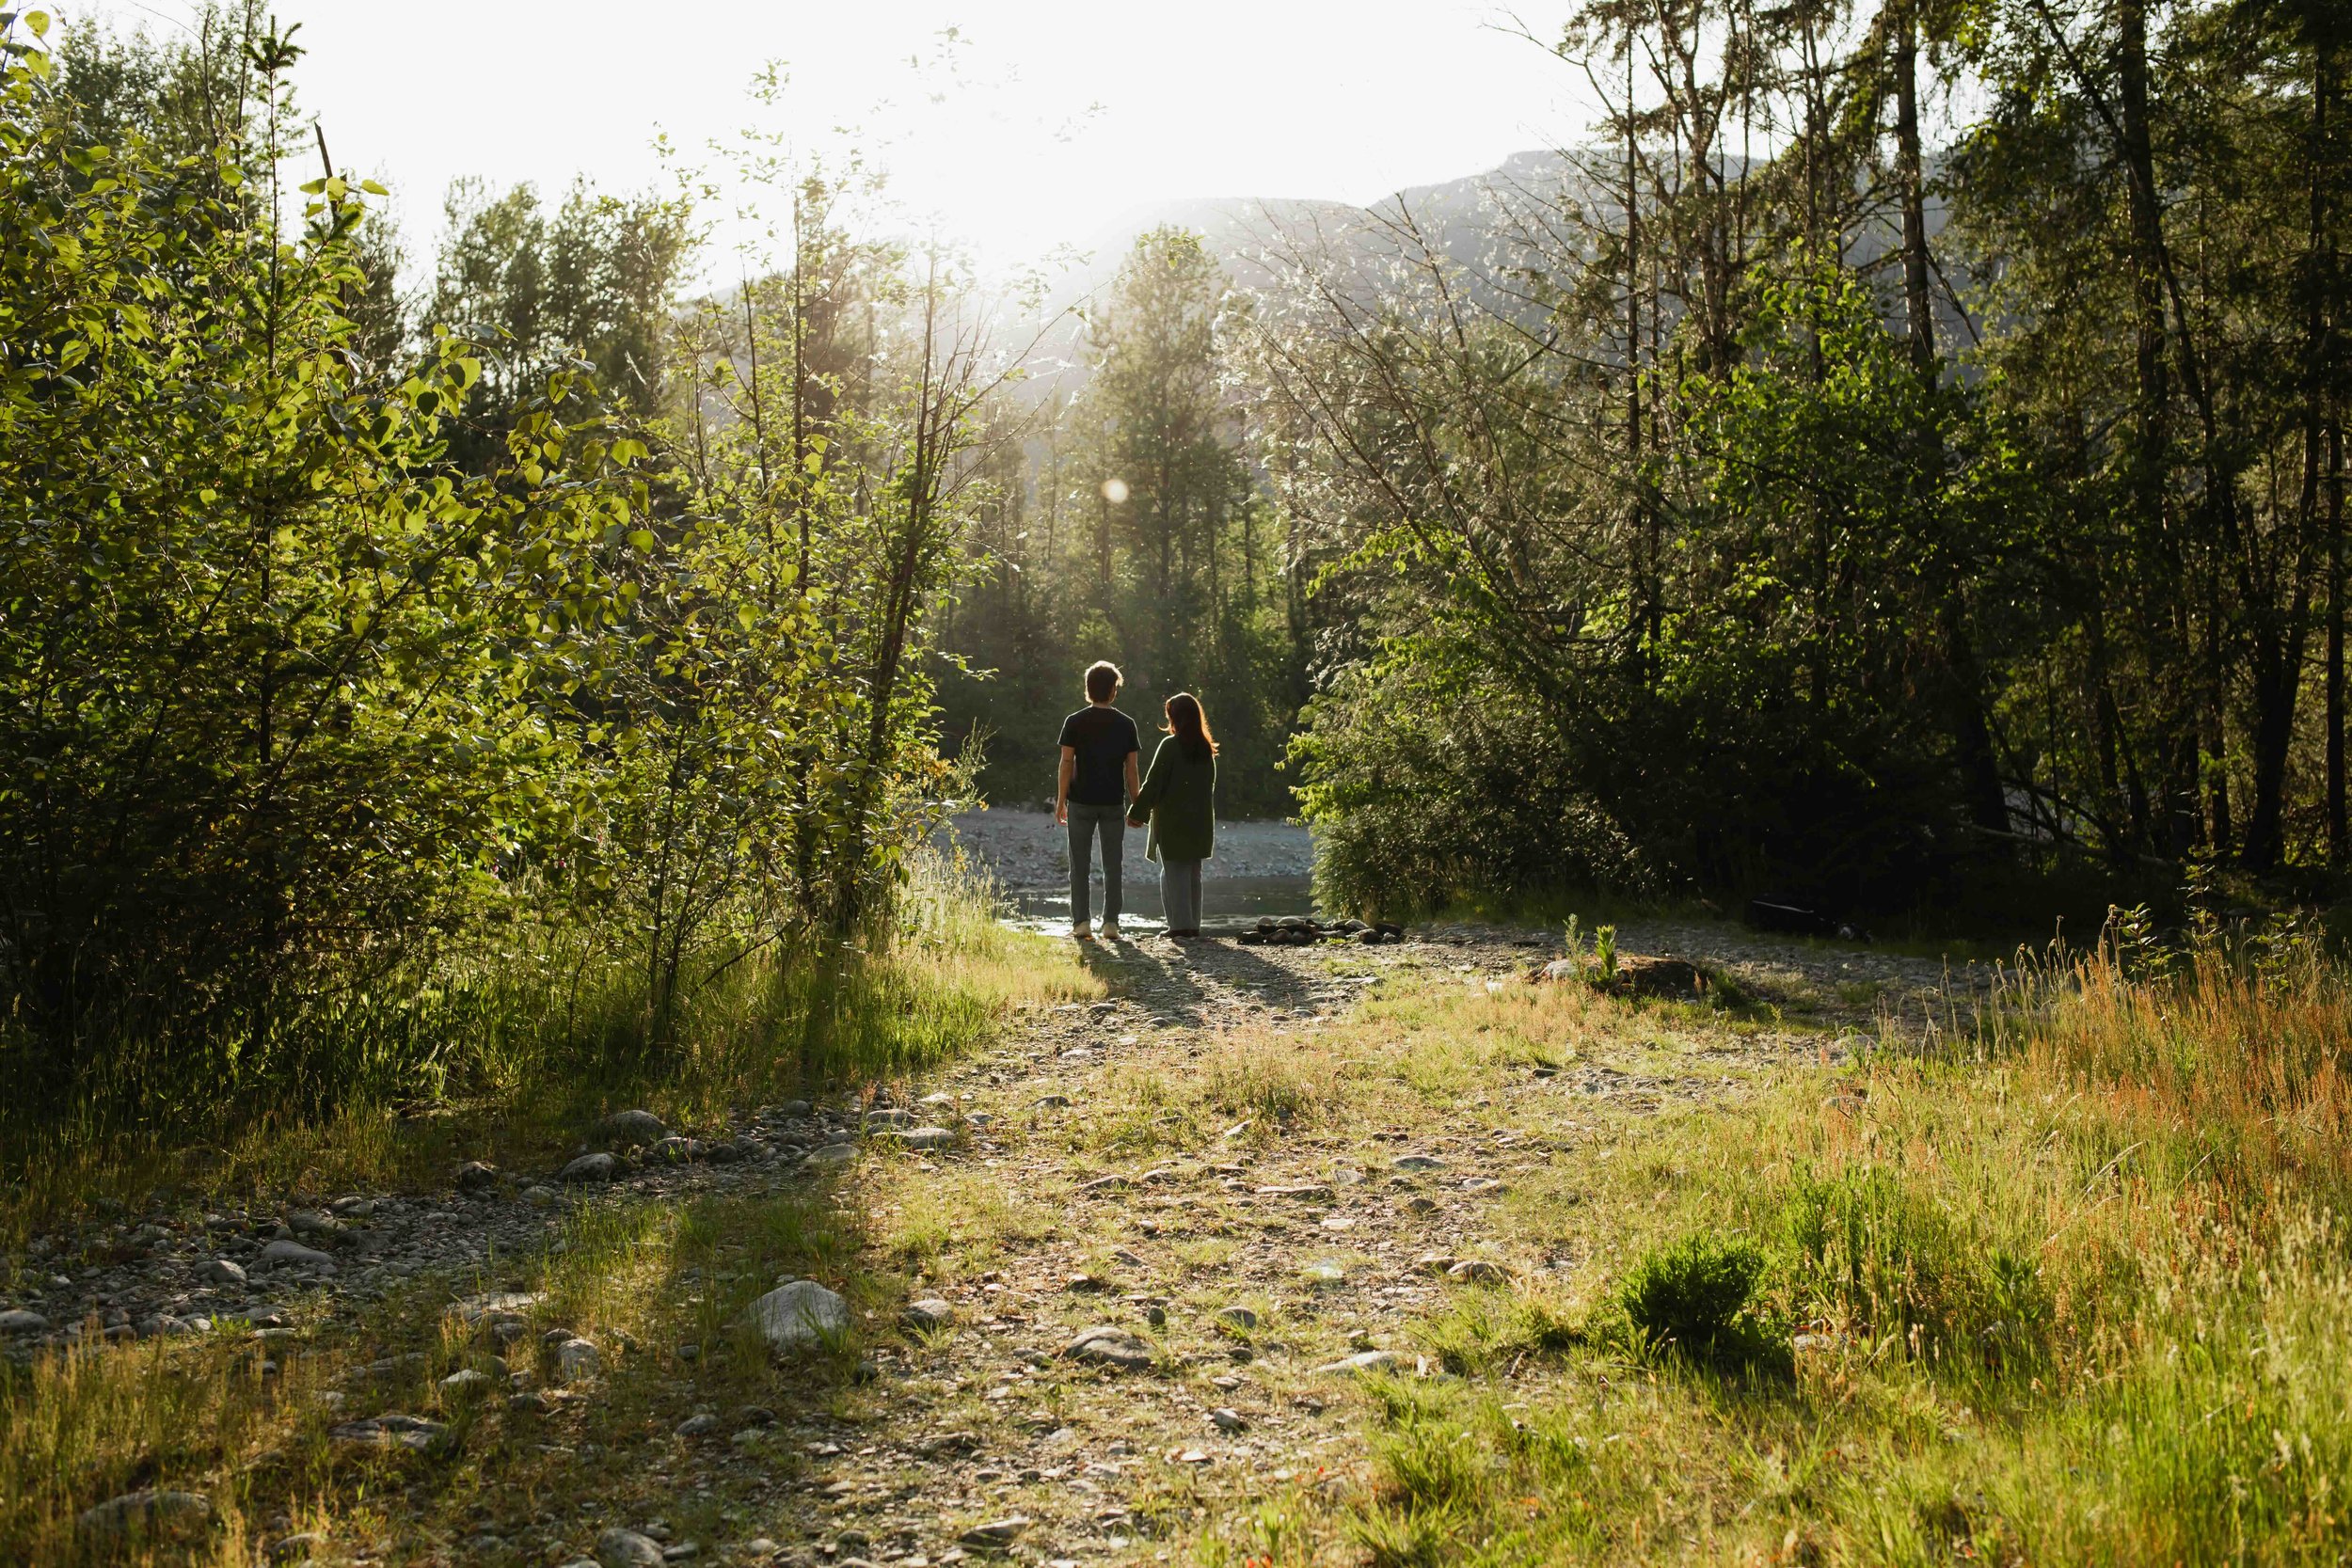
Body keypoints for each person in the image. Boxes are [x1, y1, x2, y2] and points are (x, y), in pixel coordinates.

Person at [1055, 660, 1140, 941]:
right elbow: (1132, 769)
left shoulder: (1074, 721)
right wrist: (1136, 804)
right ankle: (1111, 924)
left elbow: (1066, 762)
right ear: (1113, 690)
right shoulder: (1126, 724)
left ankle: (1081, 923)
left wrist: (1060, 801)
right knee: (1113, 864)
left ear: (1088, 689)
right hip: (1113, 802)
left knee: (1079, 864)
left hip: (1080, 801)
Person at [1128, 691, 1217, 940]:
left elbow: (1154, 783)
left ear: (1175, 718)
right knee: (1192, 875)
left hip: (1173, 822)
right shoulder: (1205, 750)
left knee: (1174, 873)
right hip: (1199, 824)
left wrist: (1137, 812)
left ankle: (1179, 928)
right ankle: (1192, 926)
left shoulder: (1170, 746)